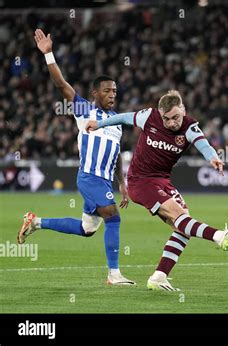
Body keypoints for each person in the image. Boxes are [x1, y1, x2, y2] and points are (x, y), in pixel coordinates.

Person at [85, 90, 228, 291]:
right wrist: (99, 124)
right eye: (166, 119)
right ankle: (219, 236)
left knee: (184, 225)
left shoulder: (189, 126)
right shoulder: (149, 117)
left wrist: (212, 156)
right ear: (160, 115)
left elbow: (202, 143)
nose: (171, 123)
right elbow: (124, 117)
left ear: (183, 111)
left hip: (162, 182)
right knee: (180, 216)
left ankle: (159, 276)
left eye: (175, 117)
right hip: (140, 182)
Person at [17, 29, 135, 285]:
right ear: (95, 94)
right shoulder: (85, 110)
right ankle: (114, 275)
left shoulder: (117, 123)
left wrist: (122, 184)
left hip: (105, 181)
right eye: (107, 91)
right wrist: (48, 55)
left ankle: (35, 222)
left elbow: (115, 155)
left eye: (114, 90)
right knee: (113, 217)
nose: (113, 94)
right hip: (89, 177)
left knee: (88, 229)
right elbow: (62, 86)